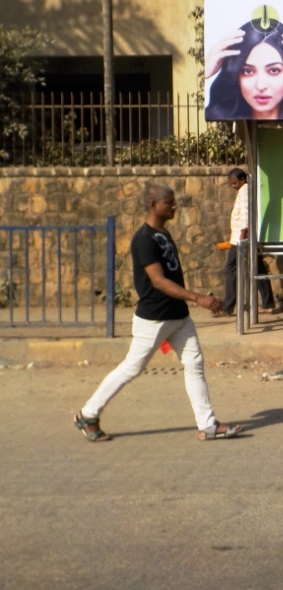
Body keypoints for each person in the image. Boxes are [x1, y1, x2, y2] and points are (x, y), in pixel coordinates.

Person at [74, 183, 243, 442]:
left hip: (178, 316)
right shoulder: (143, 239)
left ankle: (207, 424)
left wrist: (190, 302)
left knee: (194, 363)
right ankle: (88, 414)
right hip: (154, 317)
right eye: (169, 202)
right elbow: (159, 281)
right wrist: (198, 297)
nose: (174, 206)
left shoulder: (162, 234)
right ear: (154, 205)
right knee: (132, 368)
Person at [205, 15, 283, 121]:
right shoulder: (218, 123)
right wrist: (203, 74)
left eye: (274, 70)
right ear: (236, 76)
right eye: (248, 71)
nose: (260, 86)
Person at [222, 168, 281, 316]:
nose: (233, 186)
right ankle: (268, 303)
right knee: (257, 268)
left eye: (235, 182)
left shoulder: (244, 192)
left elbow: (245, 215)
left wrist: (242, 236)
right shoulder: (244, 191)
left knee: (231, 269)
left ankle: (228, 306)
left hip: (241, 239)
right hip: (244, 238)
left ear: (242, 179)